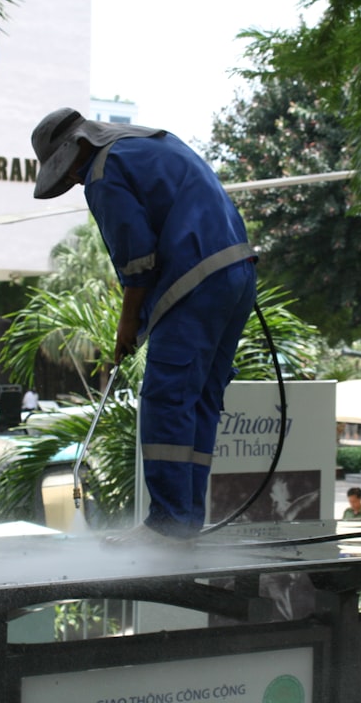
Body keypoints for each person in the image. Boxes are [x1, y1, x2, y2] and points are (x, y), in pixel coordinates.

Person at [31, 108, 257, 546]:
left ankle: (169, 523)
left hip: (195, 281)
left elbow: (136, 259)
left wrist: (127, 322)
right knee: (200, 399)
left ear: (75, 151)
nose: (74, 184)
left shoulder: (103, 170)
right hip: (237, 274)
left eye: (68, 176)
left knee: (167, 397)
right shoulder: (151, 143)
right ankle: (185, 521)